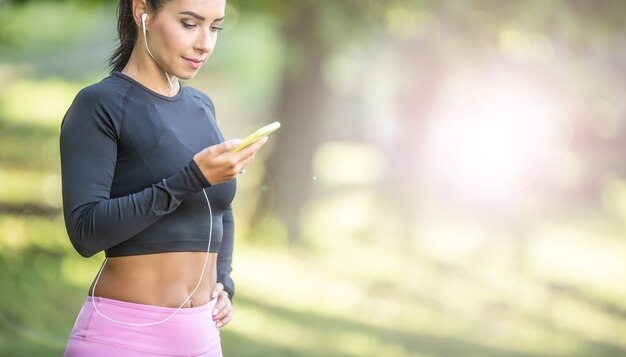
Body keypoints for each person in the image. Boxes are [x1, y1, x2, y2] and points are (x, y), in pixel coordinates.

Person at [60, 0, 266, 355]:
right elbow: (85, 231)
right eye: (190, 24)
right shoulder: (99, 105)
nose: (205, 43)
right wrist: (191, 178)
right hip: (123, 337)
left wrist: (224, 281)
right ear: (143, 11)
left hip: (201, 338)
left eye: (215, 27)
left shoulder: (202, 107)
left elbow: (220, 208)